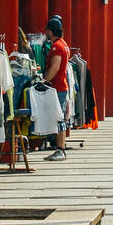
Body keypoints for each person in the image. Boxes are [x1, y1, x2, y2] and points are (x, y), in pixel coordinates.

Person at [44, 16, 72, 159]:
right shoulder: (64, 44)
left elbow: (55, 67)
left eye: (47, 31)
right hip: (63, 86)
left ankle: (60, 149)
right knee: (60, 118)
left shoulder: (56, 46)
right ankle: (60, 148)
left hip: (58, 87)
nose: (46, 33)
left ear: (51, 31)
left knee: (59, 118)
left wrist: (44, 81)